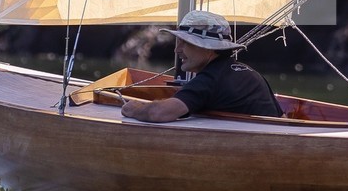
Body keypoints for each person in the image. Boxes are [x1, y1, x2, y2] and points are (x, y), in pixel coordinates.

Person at [120, 10, 282, 121]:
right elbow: (281, 118)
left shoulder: (210, 79)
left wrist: (134, 109)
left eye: (185, 42)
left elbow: (159, 113)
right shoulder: (250, 73)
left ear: (208, 48)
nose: (177, 50)